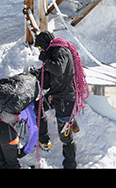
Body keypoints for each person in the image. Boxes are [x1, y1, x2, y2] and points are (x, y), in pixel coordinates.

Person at [34, 31, 89, 169]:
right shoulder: (53, 51)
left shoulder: (61, 51)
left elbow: (58, 69)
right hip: (55, 94)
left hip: (66, 98)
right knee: (38, 106)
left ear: (46, 44)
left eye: (40, 47)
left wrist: (46, 60)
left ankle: (70, 165)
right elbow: (51, 76)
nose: (40, 50)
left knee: (65, 136)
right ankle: (43, 139)